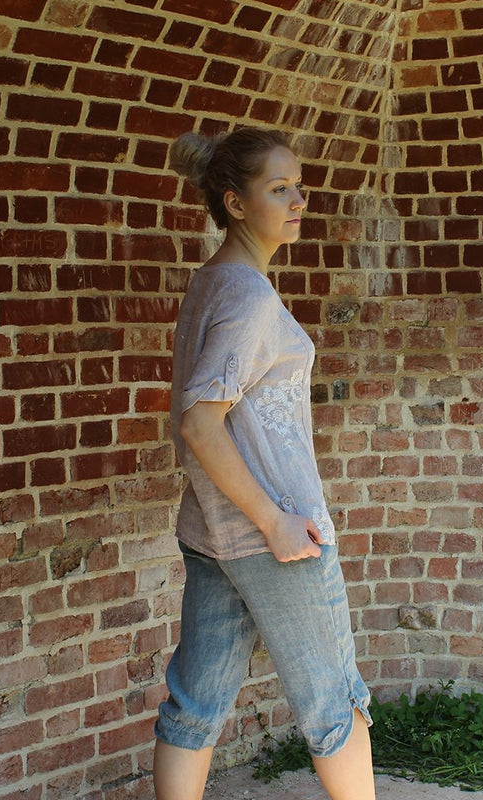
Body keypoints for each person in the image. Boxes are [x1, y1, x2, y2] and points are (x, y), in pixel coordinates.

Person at [153, 126, 375, 800]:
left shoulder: (213, 282)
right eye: (279, 189)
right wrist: (276, 522)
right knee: (336, 703)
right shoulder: (247, 296)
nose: (299, 201)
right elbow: (200, 422)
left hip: (211, 530)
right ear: (236, 203)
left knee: (194, 706)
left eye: (298, 187)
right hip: (276, 537)